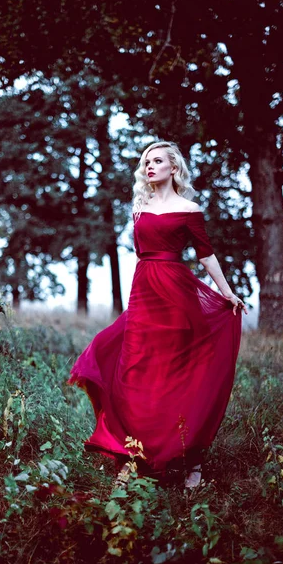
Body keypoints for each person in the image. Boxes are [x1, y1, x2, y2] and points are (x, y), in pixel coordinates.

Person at [68, 141, 247, 489]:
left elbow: (205, 255)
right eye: (146, 162)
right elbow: (141, 255)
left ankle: (190, 460)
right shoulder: (139, 207)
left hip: (178, 295)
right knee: (133, 373)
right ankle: (132, 455)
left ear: (173, 167)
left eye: (157, 161)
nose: (149, 166)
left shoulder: (189, 209)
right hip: (145, 293)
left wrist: (227, 293)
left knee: (178, 377)